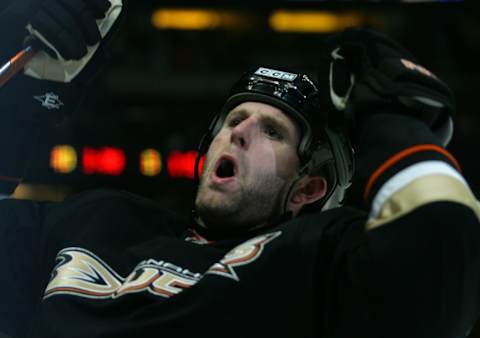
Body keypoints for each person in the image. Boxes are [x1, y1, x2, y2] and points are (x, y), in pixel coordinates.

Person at [0, 0, 479, 337]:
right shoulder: (94, 218)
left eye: (272, 131)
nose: (239, 132)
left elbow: (438, 290)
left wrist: (398, 127)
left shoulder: (318, 257)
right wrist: (15, 96)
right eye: (233, 120)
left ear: (308, 188)